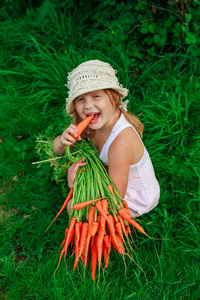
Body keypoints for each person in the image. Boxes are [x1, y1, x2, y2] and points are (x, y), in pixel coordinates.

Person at [53, 60, 160, 217]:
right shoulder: (91, 125)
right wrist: (63, 141)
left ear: (114, 97)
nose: (88, 106)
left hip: (132, 195)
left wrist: (76, 184)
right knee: (76, 205)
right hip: (115, 179)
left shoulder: (121, 143)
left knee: (74, 207)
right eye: (81, 99)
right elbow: (57, 149)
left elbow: (114, 199)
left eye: (96, 96)